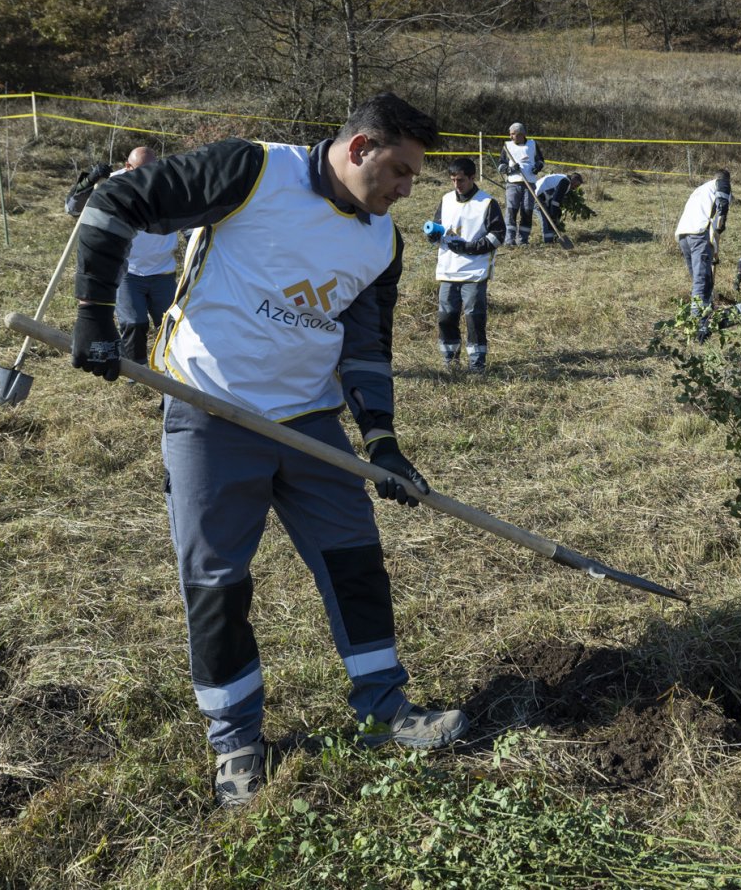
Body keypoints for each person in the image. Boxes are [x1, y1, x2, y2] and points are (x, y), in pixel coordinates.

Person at [68, 92, 468, 807]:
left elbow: (366, 345)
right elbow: (117, 203)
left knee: (355, 562)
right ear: (359, 148)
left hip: (309, 421)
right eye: (401, 172)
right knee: (218, 585)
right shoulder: (251, 172)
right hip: (209, 409)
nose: (409, 190)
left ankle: (383, 710)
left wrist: (381, 438)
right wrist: (95, 313)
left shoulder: (382, 241)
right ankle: (237, 746)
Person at [429, 157, 504, 373]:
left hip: (474, 272)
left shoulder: (488, 203)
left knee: (474, 318)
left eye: (460, 180)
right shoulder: (446, 200)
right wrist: (433, 235)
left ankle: (477, 364)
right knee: (446, 317)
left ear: (472, 177)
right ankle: (450, 361)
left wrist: (470, 248)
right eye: (453, 180)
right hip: (448, 270)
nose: (456, 185)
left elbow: (498, 236)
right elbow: (438, 228)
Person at [108, 147, 177, 365]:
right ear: (128, 167)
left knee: (169, 323)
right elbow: (74, 207)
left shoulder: (169, 184)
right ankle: (136, 370)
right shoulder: (113, 185)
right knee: (133, 323)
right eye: (141, 170)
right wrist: (87, 183)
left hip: (163, 270)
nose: (148, 176)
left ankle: (170, 366)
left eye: (152, 170)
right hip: (128, 270)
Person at [674, 171, 732, 334]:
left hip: (683, 234)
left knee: (699, 280)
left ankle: (706, 310)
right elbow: (722, 200)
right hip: (699, 233)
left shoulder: (700, 189)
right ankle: (698, 323)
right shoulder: (721, 183)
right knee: (701, 281)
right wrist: (722, 222)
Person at [497, 122, 543, 245]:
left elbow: (540, 160)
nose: (511, 137)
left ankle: (523, 240)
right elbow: (500, 165)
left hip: (529, 183)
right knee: (511, 211)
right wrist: (509, 169)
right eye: (510, 134)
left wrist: (537, 167)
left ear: (521, 134)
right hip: (513, 184)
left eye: (513, 134)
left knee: (527, 211)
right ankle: (509, 240)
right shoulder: (507, 146)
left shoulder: (532, 145)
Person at [532, 170, 583, 245]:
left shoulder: (564, 180)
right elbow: (556, 200)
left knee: (551, 218)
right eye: (576, 185)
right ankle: (548, 242)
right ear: (573, 180)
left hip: (542, 197)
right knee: (546, 219)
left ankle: (551, 239)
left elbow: (554, 199)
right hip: (536, 197)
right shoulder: (565, 182)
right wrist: (553, 215)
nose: (575, 188)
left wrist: (556, 214)